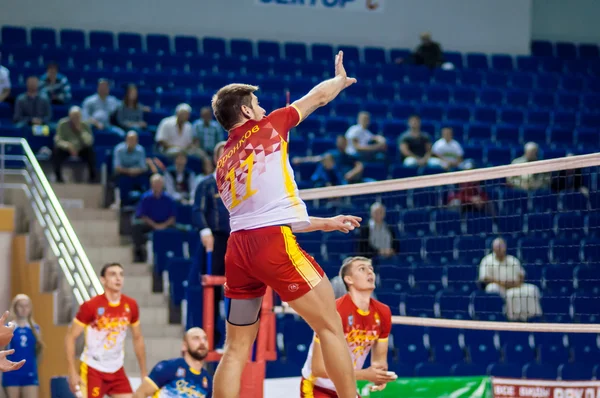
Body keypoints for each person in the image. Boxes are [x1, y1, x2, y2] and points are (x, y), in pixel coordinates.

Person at [211, 51, 360, 398]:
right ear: (246, 111)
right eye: (257, 103)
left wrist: (324, 223)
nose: (262, 107)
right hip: (271, 244)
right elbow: (318, 97)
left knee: (235, 349)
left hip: (238, 250)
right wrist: (339, 81)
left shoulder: (222, 164)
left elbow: (264, 212)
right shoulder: (269, 126)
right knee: (330, 327)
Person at [301, 257, 395, 397]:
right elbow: (318, 368)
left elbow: (379, 360)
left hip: (346, 385)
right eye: (362, 269)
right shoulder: (334, 312)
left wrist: (379, 374)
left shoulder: (382, 312)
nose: (369, 272)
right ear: (348, 279)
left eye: (371, 269)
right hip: (318, 386)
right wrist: (365, 375)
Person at [65, 263, 147, 398]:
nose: (118, 278)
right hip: (93, 368)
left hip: (117, 369)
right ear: (103, 280)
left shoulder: (131, 305)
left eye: (121, 274)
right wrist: (72, 371)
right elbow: (70, 337)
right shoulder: (90, 306)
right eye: (113, 274)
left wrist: (143, 372)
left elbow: (138, 338)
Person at [192, 142, 229, 346]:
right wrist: (205, 230)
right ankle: (212, 336)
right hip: (215, 241)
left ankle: (234, 336)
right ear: (216, 159)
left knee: (238, 288)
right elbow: (197, 210)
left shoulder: (241, 184)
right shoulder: (206, 184)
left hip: (236, 241)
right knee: (213, 289)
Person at [133, 327, 212, 398]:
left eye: (205, 338)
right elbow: (139, 394)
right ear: (184, 346)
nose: (202, 342)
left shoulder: (208, 381)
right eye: (196, 338)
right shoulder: (169, 367)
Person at [478, 238, 542, 321]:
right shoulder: (487, 260)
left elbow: (521, 275)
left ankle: (533, 317)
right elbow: (485, 279)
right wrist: (502, 283)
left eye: (502, 246)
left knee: (532, 289)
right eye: (497, 246)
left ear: (505, 247)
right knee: (493, 288)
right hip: (499, 287)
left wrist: (516, 283)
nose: (500, 248)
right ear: (493, 248)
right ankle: (512, 319)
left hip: (515, 285)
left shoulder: (513, 260)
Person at [2, 295, 43, 398]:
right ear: (15, 307)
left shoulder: (35, 329)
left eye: (26, 306)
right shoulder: (8, 328)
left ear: (30, 308)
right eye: (21, 306)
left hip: (29, 373)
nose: (24, 309)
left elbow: (38, 353)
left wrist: (33, 366)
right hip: (12, 374)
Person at [52, 106, 96, 183]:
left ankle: (92, 178)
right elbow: (58, 140)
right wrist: (68, 146)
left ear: (81, 116)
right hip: (67, 149)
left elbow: (89, 141)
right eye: (73, 116)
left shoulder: (85, 125)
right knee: (56, 151)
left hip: (81, 149)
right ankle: (59, 178)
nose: (75, 119)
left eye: (77, 116)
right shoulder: (63, 124)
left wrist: (80, 131)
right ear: (69, 116)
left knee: (91, 151)